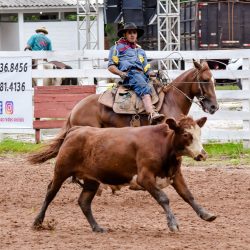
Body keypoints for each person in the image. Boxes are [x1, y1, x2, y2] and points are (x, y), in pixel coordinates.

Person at [108, 23, 165, 124]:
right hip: (130, 75)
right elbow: (111, 66)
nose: (132, 35)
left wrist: (153, 73)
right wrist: (121, 73)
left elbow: (146, 68)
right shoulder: (116, 48)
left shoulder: (141, 51)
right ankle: (152, 113)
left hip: (142, 75)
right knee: (143, 86)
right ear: (125, 34)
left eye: (134, 33)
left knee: (159, 86)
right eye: (129, 33)